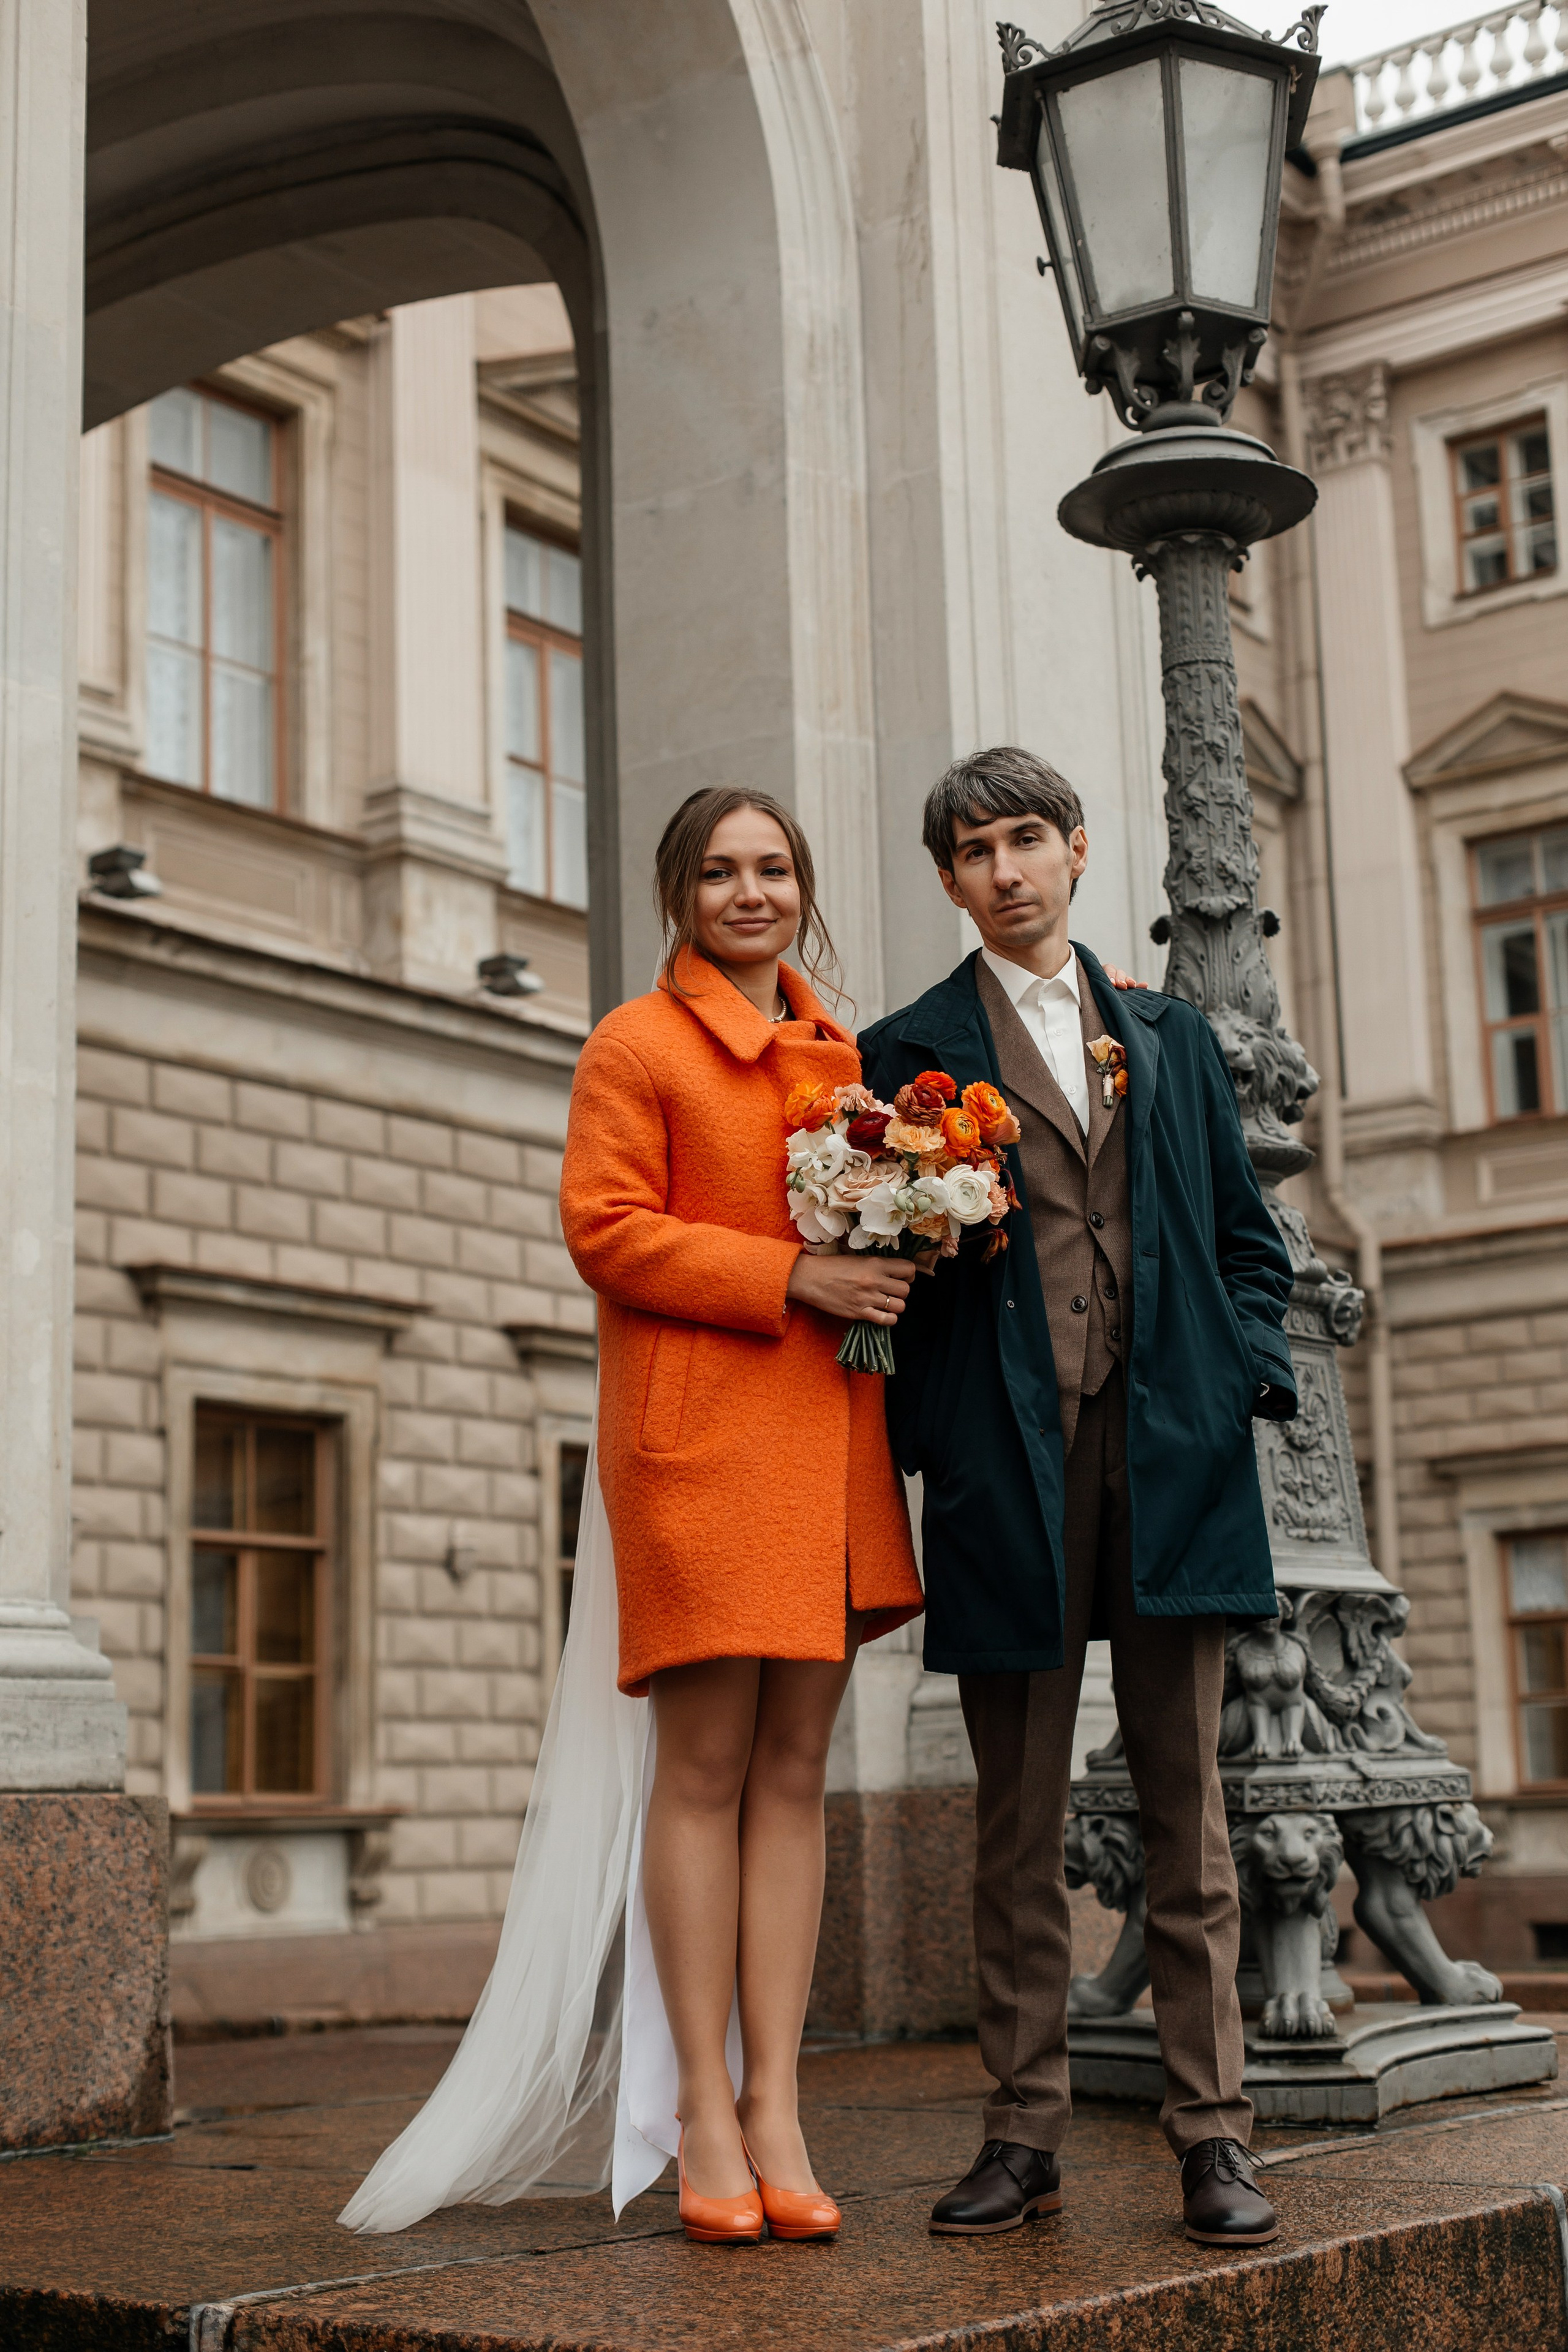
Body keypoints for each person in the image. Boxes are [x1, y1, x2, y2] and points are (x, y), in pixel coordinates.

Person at [339, 785, 924, 2249]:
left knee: (797, 1765)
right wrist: (791, 1278)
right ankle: (702, 2119)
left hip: (831, 1437)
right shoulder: (636, 1043)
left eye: (772, 868)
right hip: (702, 1445)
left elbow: (870, 1217)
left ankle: (780, 2099)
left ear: (802, 887)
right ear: (676, 893)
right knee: (708, 1767)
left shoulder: (842, 1054)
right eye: (719, 872)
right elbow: (603, 1231)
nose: (748, 893)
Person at [859, 746, 1297, 2250]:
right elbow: (884, 1284)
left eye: (1027, 839)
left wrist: (1239, 1378)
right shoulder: (902, 1054)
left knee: (1188, 1825)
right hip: (1005, 1469)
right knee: (1013, 1824)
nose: (1005, 869)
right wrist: (937, 1432)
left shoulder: (1169, 1038)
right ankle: (1020, 2132)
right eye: (974, 850)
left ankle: (1211, 2136)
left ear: (1076, 852)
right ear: (948, 881)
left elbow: (1250, 1243)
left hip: (1171, 1464)